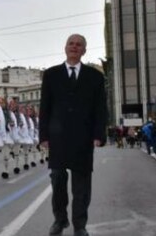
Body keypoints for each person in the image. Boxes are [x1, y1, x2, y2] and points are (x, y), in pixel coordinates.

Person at [39, 34, 107, 236]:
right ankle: (60, 220)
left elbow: (100, 109)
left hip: (83, 137)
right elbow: (45, 108)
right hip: (57, 136)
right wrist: (43, 136)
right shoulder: (51, 75)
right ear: (65, 47)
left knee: (82, 185)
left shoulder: (95, 77)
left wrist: (99, 134)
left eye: (79, 45)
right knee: (57, 179)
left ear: (84, 50)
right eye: (71, 44)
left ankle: (80, 225)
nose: (74, 47)